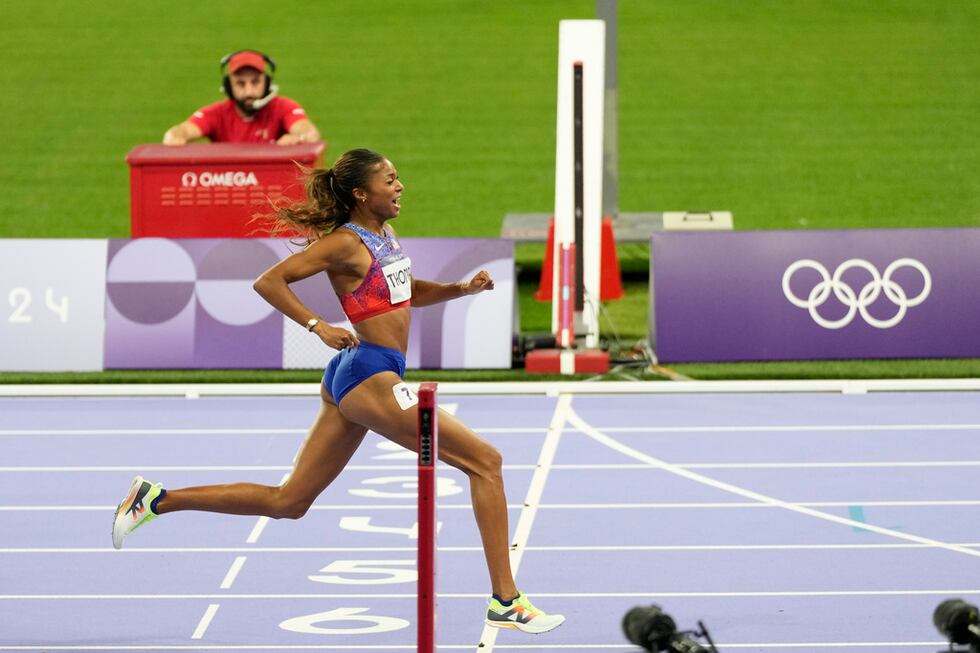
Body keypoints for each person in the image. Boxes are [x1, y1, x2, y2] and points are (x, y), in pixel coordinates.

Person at [111, 148, 565, 634]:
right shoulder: (345, 244)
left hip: (356, 373)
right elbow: (270, 281)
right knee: (485, 461)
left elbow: (405, 290)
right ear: (360, 193)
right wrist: (317, 325)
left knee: (290, 502)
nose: (400, 186)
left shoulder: (384, 235)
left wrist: (461, 289)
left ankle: (157, 500)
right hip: (368, 373)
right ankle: (506, 599)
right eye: (390, 180)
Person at [163, 50, 321, 146]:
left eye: (255, 82)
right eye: (240, 83)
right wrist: (177, 135)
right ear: (228, 86)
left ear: (266, 83)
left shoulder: (283, 107)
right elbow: (180, 132)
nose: (249, 92)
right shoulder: (216, 114)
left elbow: (310, 132)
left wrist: (298, 137)